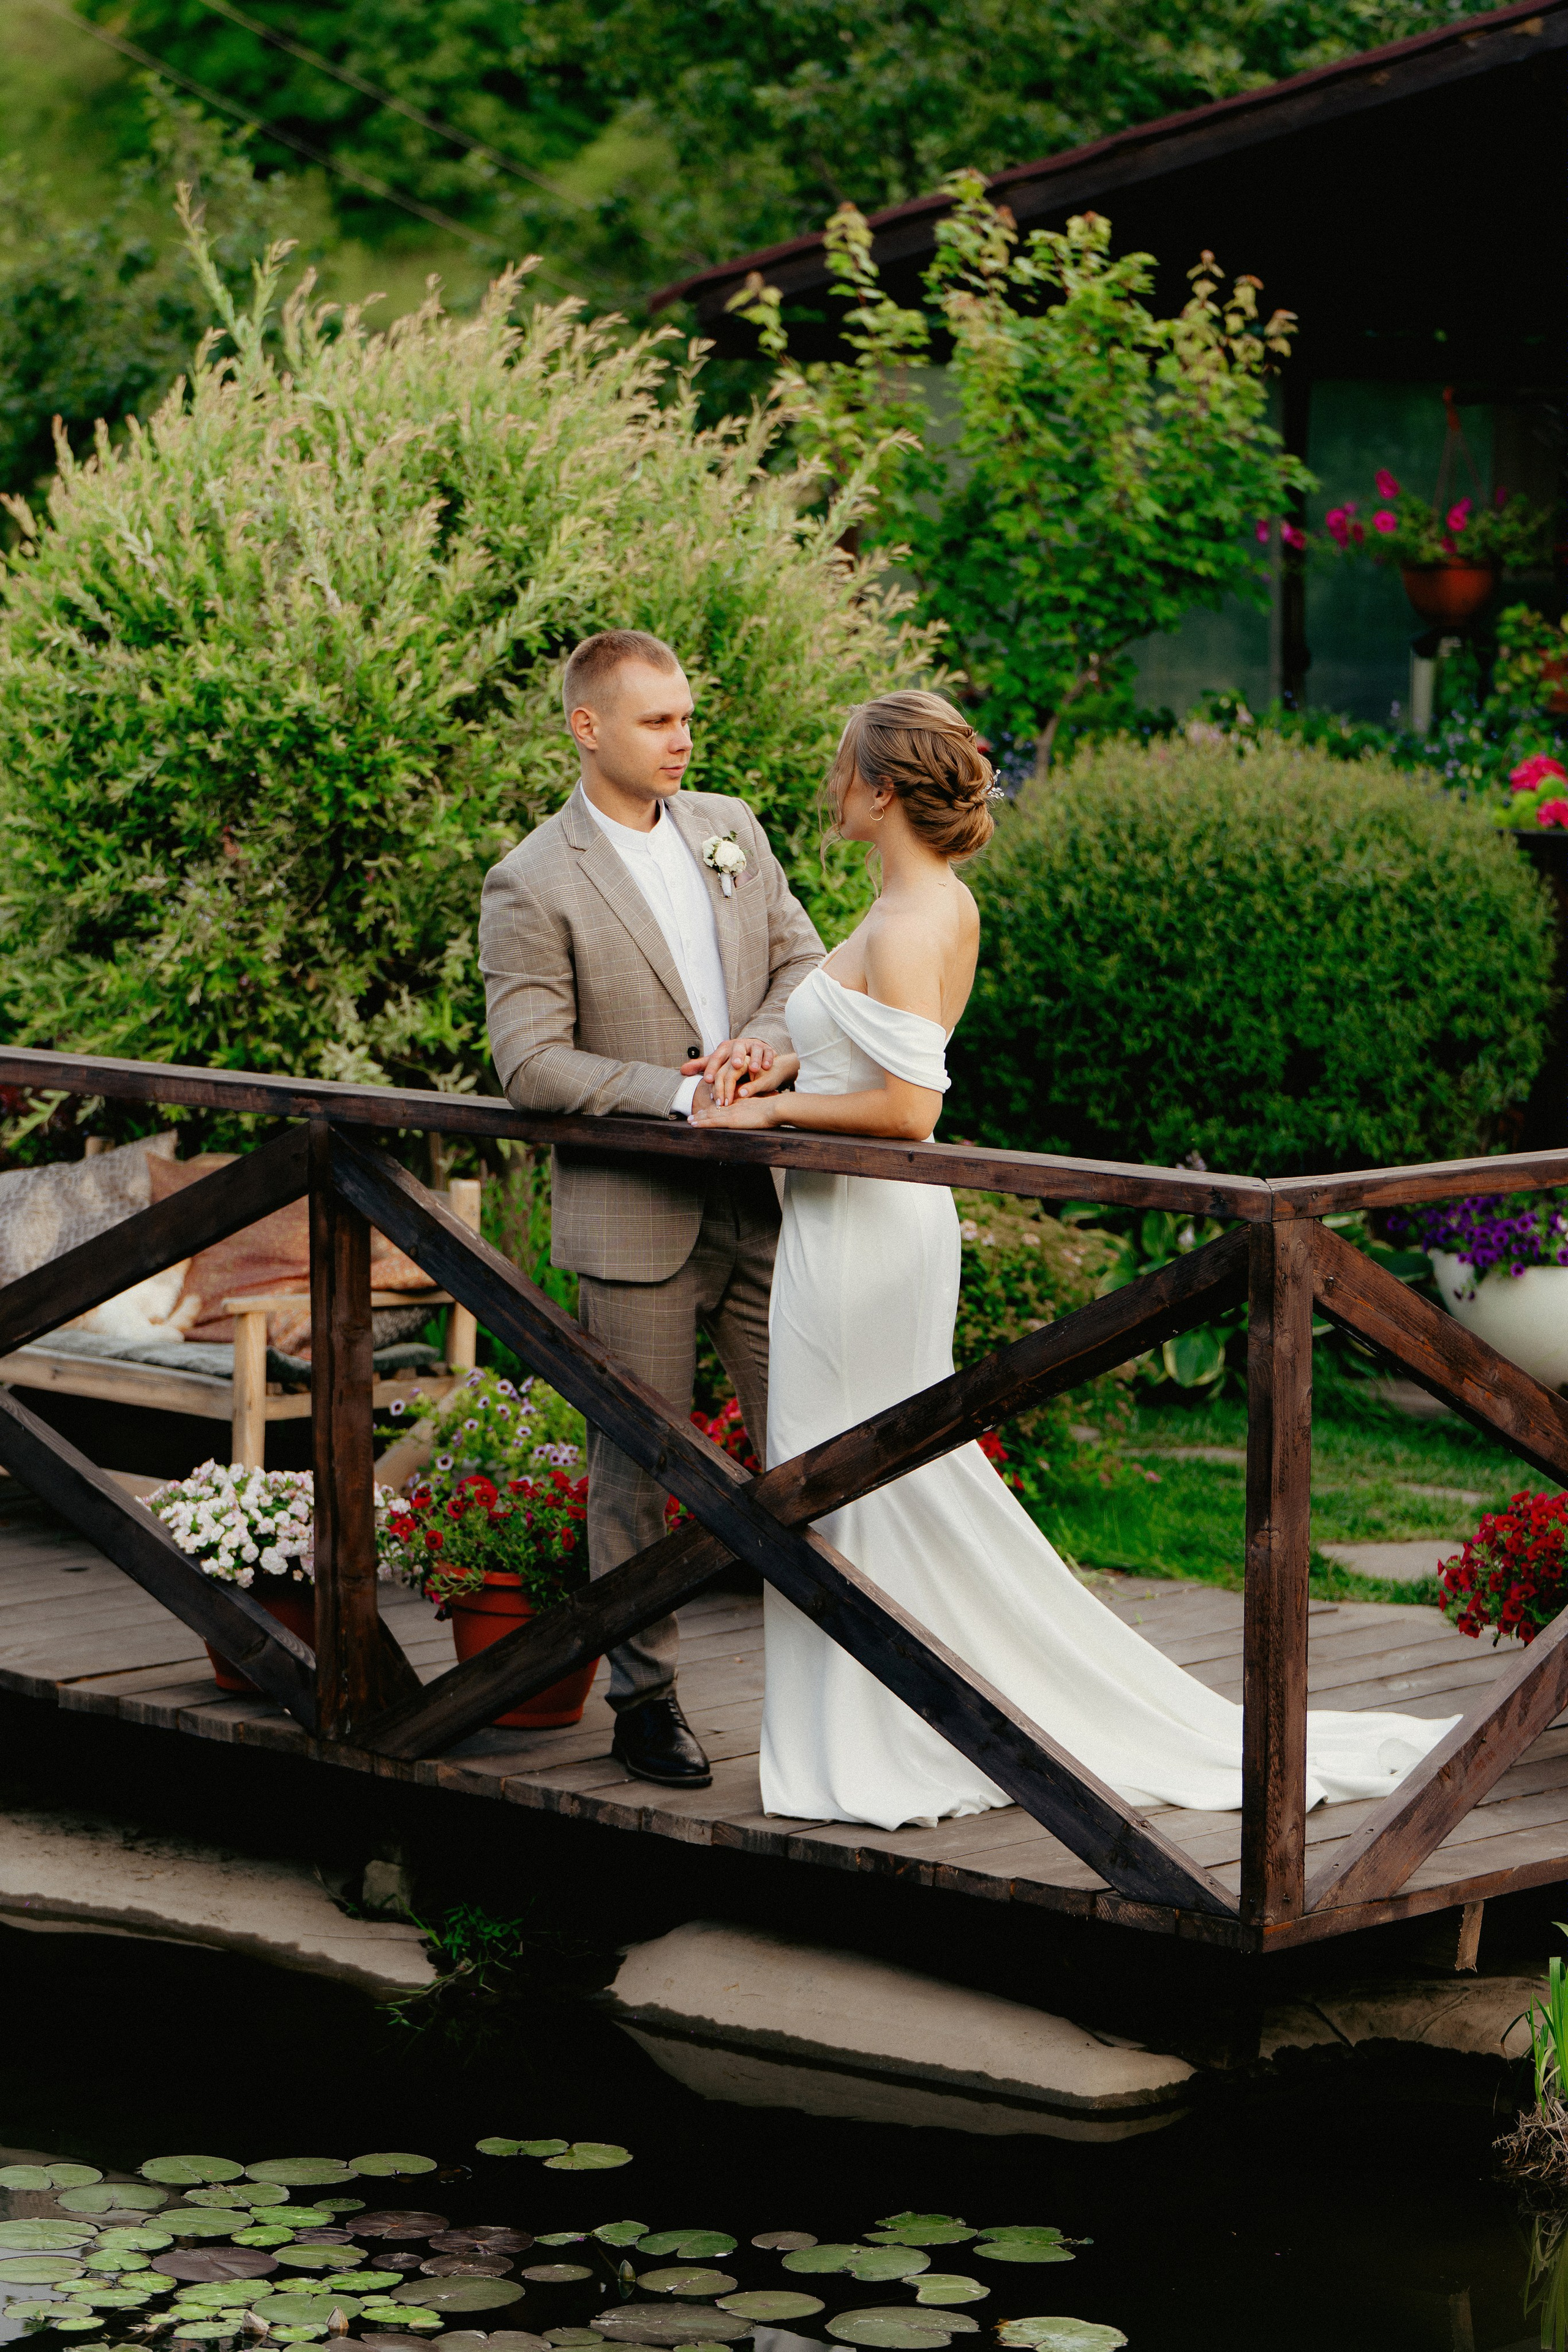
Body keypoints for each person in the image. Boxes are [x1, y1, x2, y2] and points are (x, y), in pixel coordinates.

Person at [691, 689, 1458, 1830]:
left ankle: (880, 1741)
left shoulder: (909, 923)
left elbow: (908, 1107)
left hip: (861, 1236)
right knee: (872, 1477)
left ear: (884, 787)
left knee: (838, 1475)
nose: (829, 784)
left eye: (843, 766)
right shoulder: (929, 903)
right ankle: (895, 1719)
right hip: (855, 1229)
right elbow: (870, 1073)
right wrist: (780, 1073)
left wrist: (765, 1122)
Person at [479, 629, 823, 1790]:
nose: (684, 739)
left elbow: (801, 969)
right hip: (636, 1216)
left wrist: (763, 1054)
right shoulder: (532, 878)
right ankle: (647, 1702)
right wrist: (681, 1095)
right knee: (639, 1468)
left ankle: (851, 1691)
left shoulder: (732, 826)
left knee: (823, 1443)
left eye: (685, 717)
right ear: (588, 729)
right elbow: (529, 1062)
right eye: (657, 722)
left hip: (766, 1203)